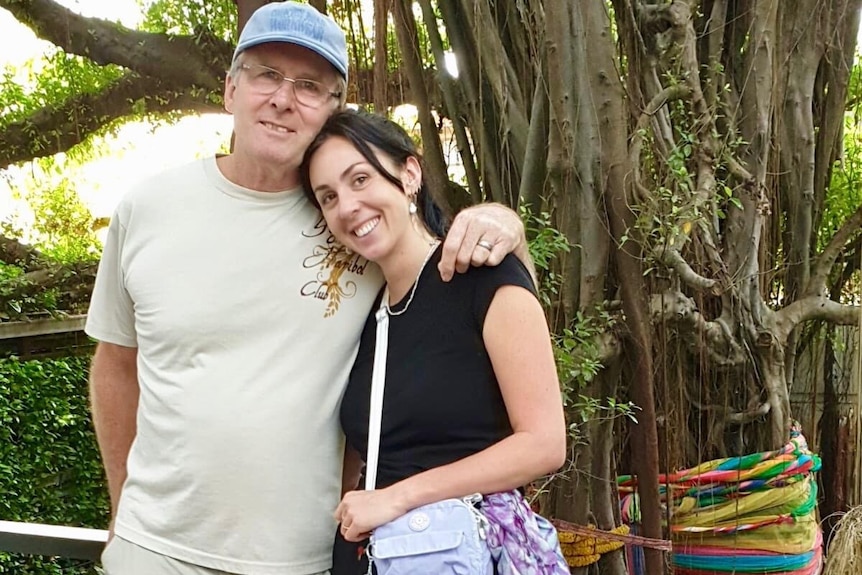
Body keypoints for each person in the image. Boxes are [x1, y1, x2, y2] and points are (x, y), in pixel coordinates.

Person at [85, 3, 530, 575]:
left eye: (309, 86)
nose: (282, 98)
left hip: (305, 558)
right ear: (230, 89)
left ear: (332, 112)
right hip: (154, 551)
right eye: (266, 74)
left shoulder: (355, 222)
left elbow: (454, 260)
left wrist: (501, 220)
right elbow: (116, 364)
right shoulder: (147, 207)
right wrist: (122, 509)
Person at [299, 110, 567, 574]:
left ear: (409, 174)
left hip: (459, 553)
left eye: (360, 179)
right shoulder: (363, 313)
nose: (347, 206)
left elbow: (543, 443)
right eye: (328, 197)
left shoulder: (483, 277)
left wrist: (397, 497)